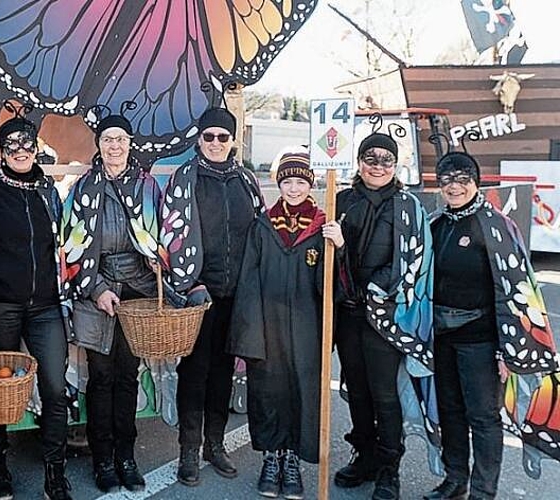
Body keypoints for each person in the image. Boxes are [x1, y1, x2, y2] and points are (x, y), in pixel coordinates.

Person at [423, 145, 560, 500]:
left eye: (463, 178)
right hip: (442, 337)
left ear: (476, 182)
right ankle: (455, 480)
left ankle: (483, 491)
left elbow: (517, 289)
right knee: (450, 411)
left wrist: (508, 350)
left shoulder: (497, 226)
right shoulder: (436, 225)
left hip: (481, 341)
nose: (455, 186)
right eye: (447, 179)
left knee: (483, 418)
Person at [0, 108, 72, 500]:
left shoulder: (47, 191)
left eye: (27, 142)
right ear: (1, 151)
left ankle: (55, 473)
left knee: (56, 389)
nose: (21, 150)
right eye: (12, 144)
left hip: (46, 307)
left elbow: (60, 247)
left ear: (36, 147)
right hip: (1, 305)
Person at [159, 106, 265, 487]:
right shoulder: (183, 179)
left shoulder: (246, 182)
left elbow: (260, 232)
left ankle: (214, 444)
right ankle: (188, 448)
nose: (216, 143)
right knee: (194, 372)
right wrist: (191, 284)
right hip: (198, 293)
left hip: (237, 292)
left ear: (233, 140)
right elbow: (170, 235)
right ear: (198, 140)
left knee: (223, 372)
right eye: (209, 137)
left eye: (223, 136)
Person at [228, 151, 344, 499]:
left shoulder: (323, 227)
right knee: (268, 392)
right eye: (287, 181)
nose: (293, 188)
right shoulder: (264, 225)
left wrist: (338, 247)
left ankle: (292, 458)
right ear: (278, 183)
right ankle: (271, 458)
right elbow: (248, 280)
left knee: (301, 391)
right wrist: (249, 331)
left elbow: (335, 286)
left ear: (312, 184)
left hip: (308, 326)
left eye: (301, 181)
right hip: (268, 325)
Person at [333, 116, 435, 500]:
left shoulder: (409, 206)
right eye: (370, 157)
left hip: (387, 315)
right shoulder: (342, 200)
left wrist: (378, 289)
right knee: (356, 390)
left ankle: (389, 467)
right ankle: (365, 455)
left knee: (384, 393)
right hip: (348, 312)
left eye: (386, 159)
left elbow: (415, 258)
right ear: (358, 161)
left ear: (396, 165)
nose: (377, 165)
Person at [61, 107, 162, 493]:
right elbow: (70, 247)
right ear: (99, 146)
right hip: (95, 286)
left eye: (121, 139)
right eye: (108, 140)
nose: (115, 145)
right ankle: (103, 458)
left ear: (130, 144)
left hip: (135, 289)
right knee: (100, 377)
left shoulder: (146, 186)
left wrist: (158, 265)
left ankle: (127, 456)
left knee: (127, 375)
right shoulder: (83, 189)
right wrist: (97, 288)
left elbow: (160, 236)